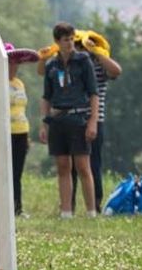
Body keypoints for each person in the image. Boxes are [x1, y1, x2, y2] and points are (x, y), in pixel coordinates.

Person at [40, 30, 120, 212]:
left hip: (93, 119)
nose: (80, 48)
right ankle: (70, 205)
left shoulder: (97, 65)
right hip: (74, 118)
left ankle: (95, 204)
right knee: (69, 166)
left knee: (92, 164)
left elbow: (116, 71)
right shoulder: (69, 66)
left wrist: (97, 52)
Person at [38, 22, 99, 218]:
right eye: (66, 40)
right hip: (58, 118)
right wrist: (45, 122)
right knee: (63, 165)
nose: (70, 43)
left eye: (72, 39)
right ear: (57, 41)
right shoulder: (52, 65)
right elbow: (46, 96)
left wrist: (93, 121)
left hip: (78, 116)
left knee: (83, 165)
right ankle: (66, 211)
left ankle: (91, 211)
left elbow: (93, 93)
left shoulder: (83, 61)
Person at [5, 42, 39, 217]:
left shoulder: (19, 84)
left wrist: (27, 136)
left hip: (21, 130)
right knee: (6, 171)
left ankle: (17, 208)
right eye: (11, 62)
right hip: (6, 132)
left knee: (17, 172)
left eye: (16, 62)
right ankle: (6, 207)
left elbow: (23, 107)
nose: (14, 66)